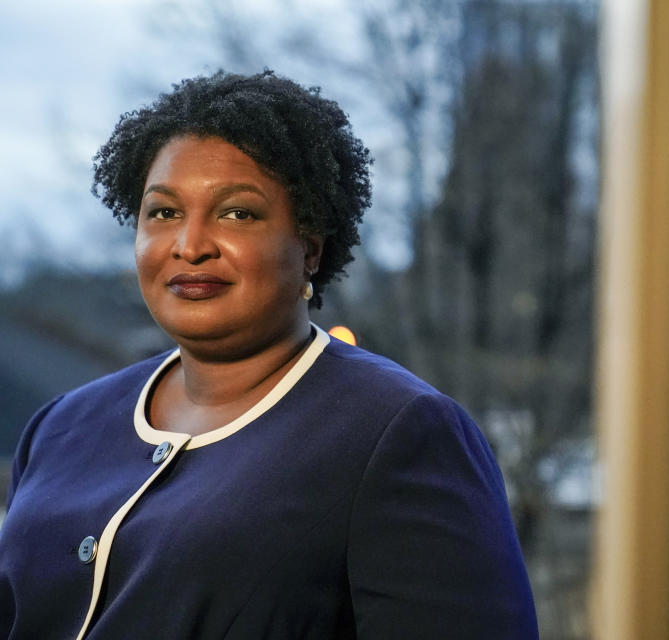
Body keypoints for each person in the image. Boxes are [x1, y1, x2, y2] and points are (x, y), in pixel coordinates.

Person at [0, 70, 538, 639]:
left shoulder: (398, 433)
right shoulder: (61, 426)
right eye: (163, 213)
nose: (190, 244)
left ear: (308, 247)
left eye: (238, 213)